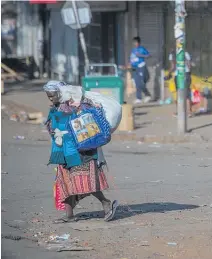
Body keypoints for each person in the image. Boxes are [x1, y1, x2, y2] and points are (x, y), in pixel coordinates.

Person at [44, 81, 118, 223]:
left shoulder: (77, 104)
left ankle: (106, 203)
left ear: (60, 92)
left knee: (86, 182)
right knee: (65, 182)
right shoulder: (56, 107)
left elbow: (85, 124)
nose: (51, 99)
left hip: (82, 151)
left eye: (52, 96)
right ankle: (69, 215)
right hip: (64, 150)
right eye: (49, 96)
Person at [168, 48, 193, 117]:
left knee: (179, 94)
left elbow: (173, 67)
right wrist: (188, 73)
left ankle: (180, 112)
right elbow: (189, 65)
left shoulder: (172, 54)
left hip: (178, 75)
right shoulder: (185, 52)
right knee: (187, 94)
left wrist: (168, 74)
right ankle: (189, 112)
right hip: (186, 74)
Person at [130, 36, 152, 104]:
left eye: (136, 42)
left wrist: (141, 55)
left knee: (141, 83)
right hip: (135, 68)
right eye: (134, 42)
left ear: (139, 42)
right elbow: (132, 59)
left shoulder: (142, 49)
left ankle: (148, 95)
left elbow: (149, 55)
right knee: (137, 83)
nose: (135, 43)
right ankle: (138, 98)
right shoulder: (133, 50)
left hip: (141, 67)